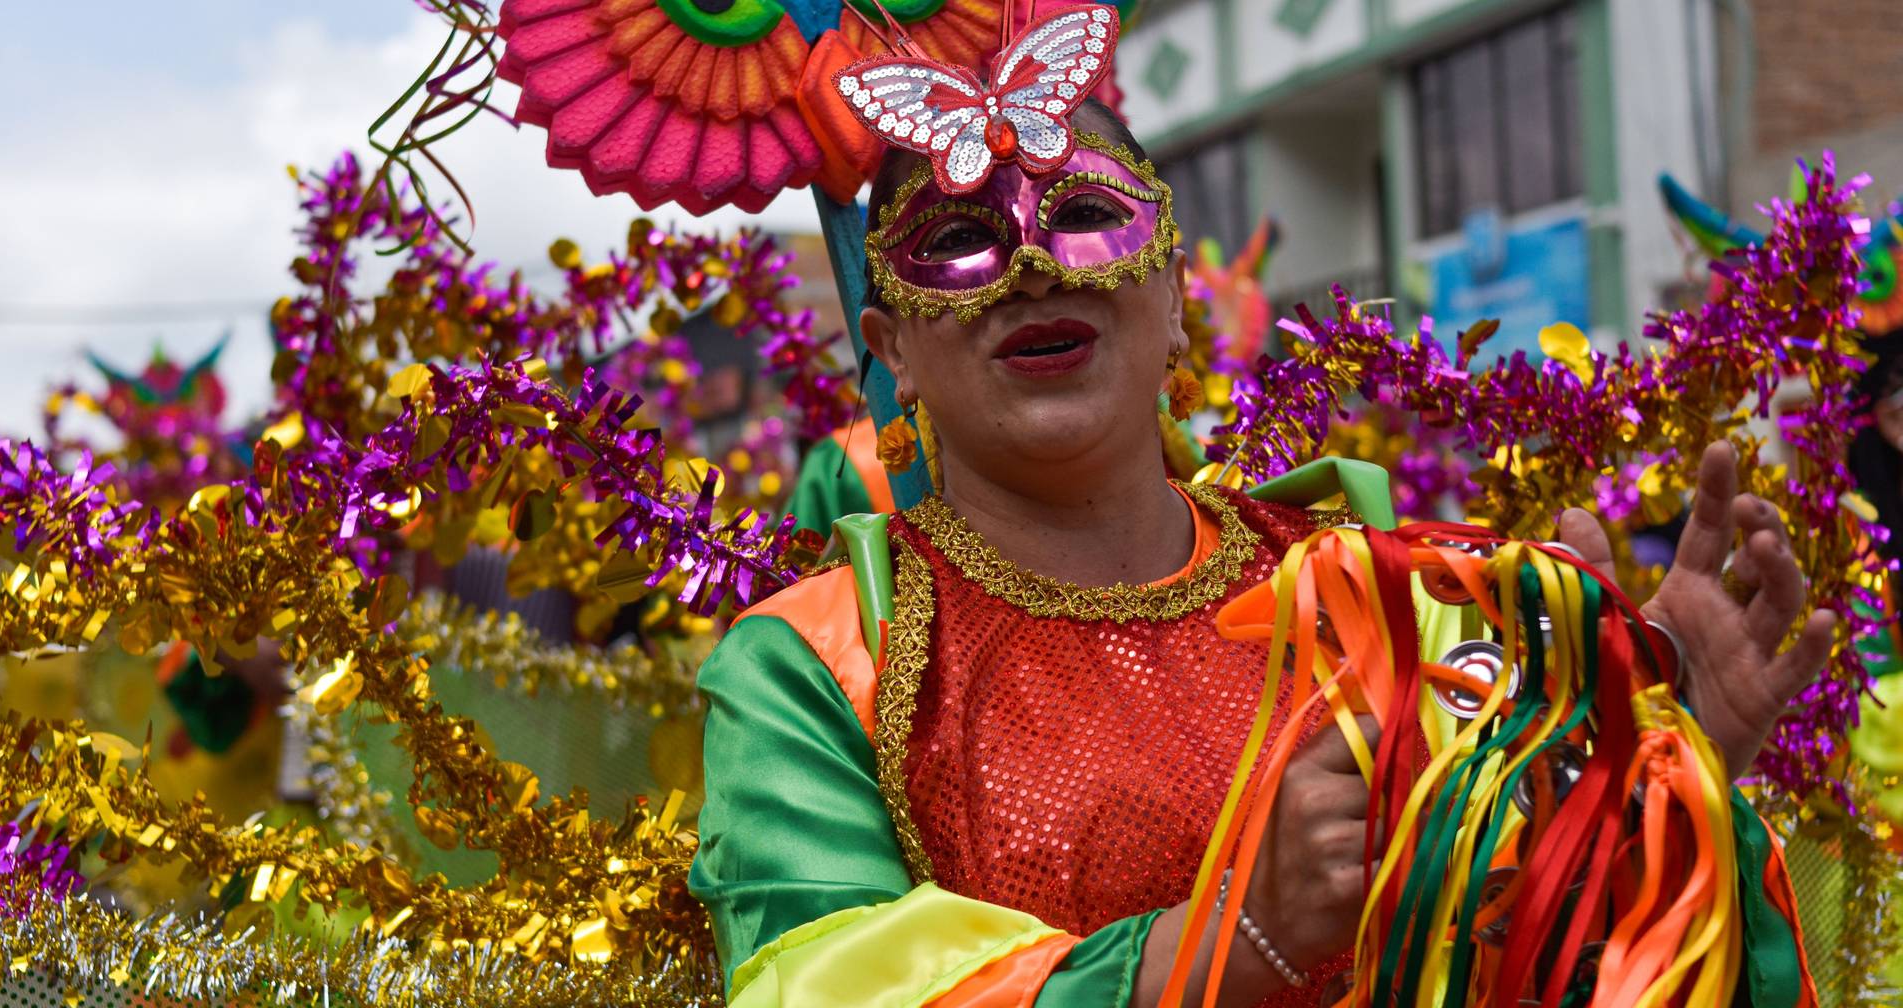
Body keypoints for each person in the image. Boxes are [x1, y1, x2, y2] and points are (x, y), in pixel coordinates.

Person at [686, 17, 1831, 1008]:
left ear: (1173, 295)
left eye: (1083, 215)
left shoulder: (1397, 597)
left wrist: (1649, 786)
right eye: (958, 242)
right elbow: (819, 976)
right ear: (891, 349)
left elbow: (1535, 951)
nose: (1031, 267)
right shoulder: (817, 664)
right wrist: (1232, 943)